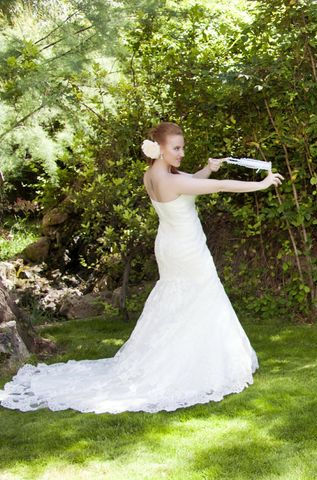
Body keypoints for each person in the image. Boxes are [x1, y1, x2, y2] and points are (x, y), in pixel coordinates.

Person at [0, 121, 283, 413]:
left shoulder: (154, 175)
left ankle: (182, 357)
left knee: (181, 302)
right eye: (176, 148)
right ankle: (202, 366)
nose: (182, 153)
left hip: (171, 245)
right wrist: (261, 183)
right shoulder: (171, 180)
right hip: (186, 249)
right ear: (159, 150)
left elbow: (193, 183)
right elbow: (218, 187)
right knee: (202, 297)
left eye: (182, 147)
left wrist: (209, 167)